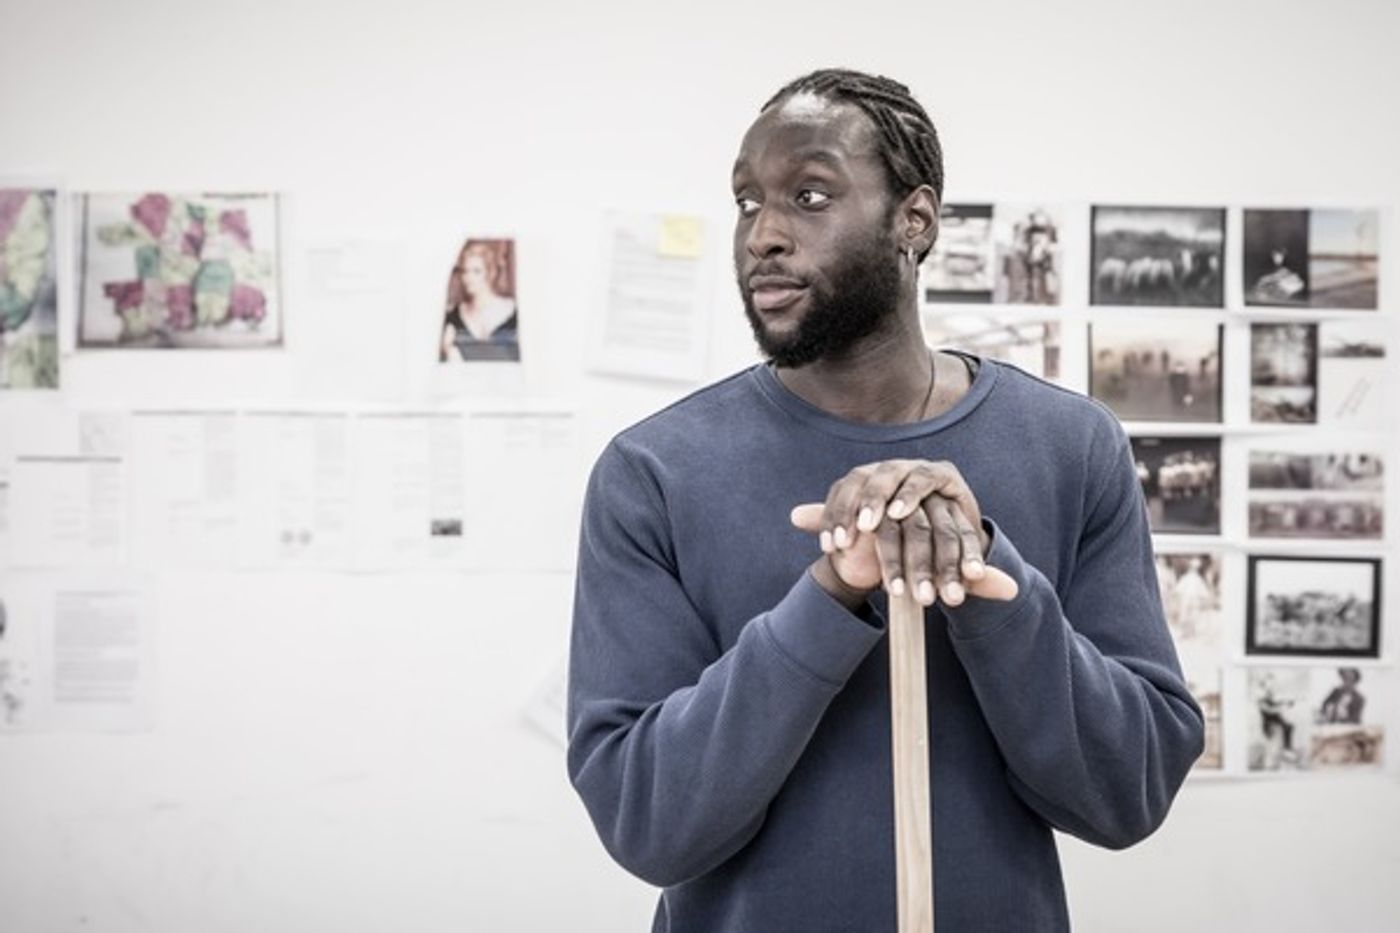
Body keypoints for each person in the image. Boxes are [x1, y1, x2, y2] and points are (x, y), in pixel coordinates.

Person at [567, 68, 1203, 932]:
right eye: (748, 202)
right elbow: (648, 821)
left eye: (810, 195)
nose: (763, 235)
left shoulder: (1071, 446)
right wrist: (830, 596)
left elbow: (1130, 790)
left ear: (916, 220)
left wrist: (989, 578)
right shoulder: (653, 471)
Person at [438, 239, 519, 362]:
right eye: (465, 271)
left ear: (490, 273)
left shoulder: (513, 312)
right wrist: (447, 351)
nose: (468, 278)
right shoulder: (453, 316)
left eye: (476, 271)